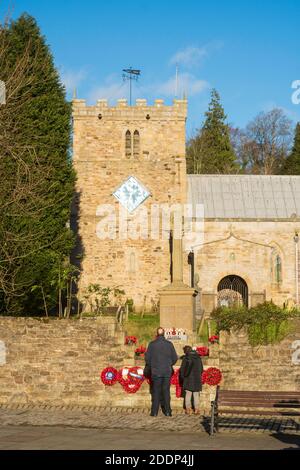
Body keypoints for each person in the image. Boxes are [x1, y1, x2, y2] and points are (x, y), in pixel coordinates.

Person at [145, 327, 178, 417]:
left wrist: (153, 365)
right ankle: (168, 411)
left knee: (156, 392)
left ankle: (154, 412)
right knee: (166, 392)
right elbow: (175, 358)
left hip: (156, 371)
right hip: (166, 371)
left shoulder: (152, 344)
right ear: (164, 334)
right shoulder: (169, 344)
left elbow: (147, 359)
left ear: (157, 334)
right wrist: (168, 364)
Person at [179, 345, 203, 415]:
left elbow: (182, 370)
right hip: (197, 379)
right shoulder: (198, 358)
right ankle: (197, 409)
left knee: (188, 394)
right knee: (196, 394)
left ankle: (188, 409)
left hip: (188, 378)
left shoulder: (186, 358)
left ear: (186, 351)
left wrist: (183, 377)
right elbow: (201, 370)